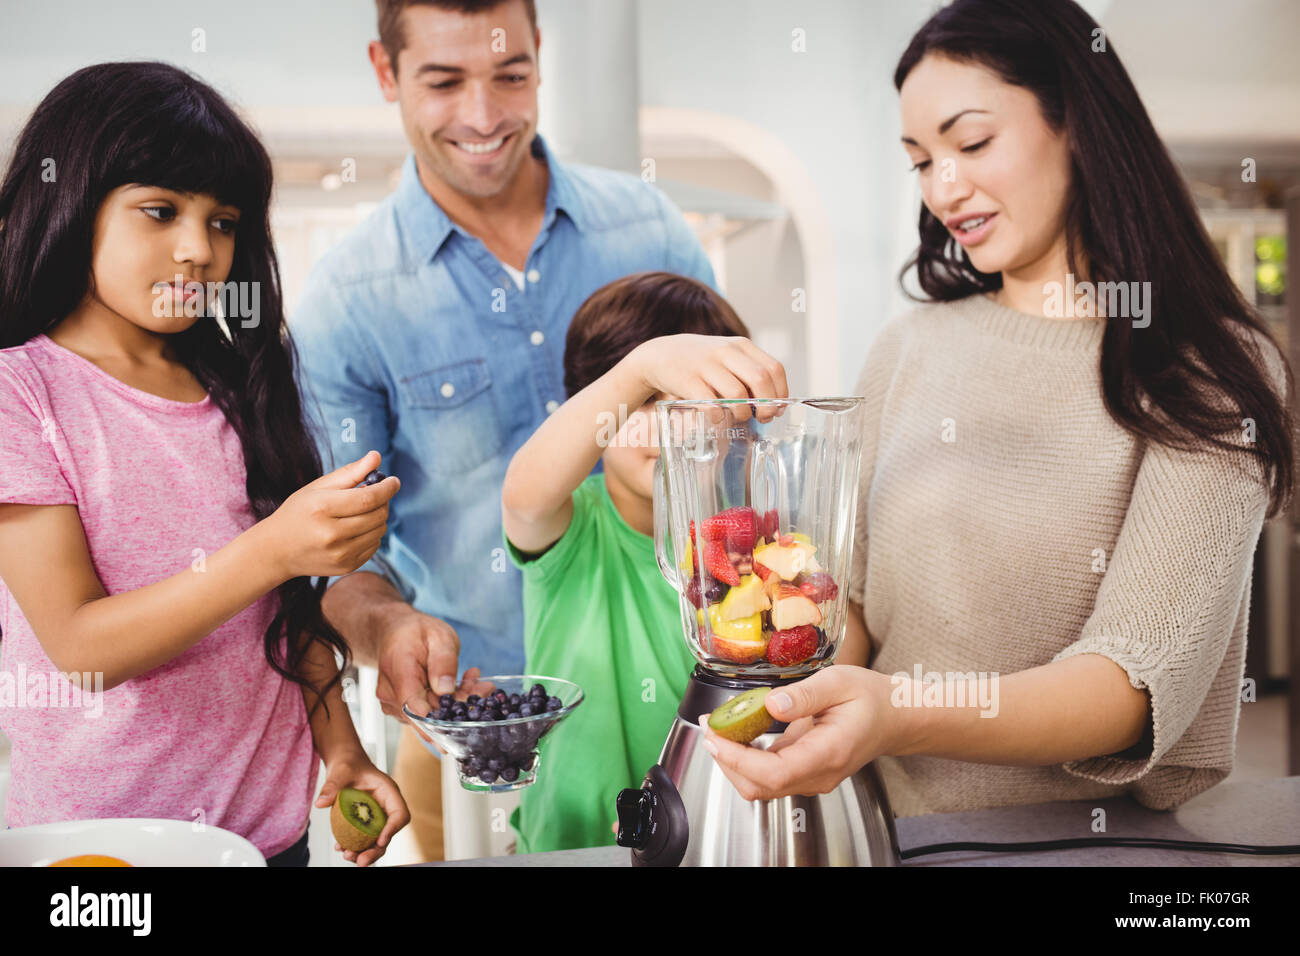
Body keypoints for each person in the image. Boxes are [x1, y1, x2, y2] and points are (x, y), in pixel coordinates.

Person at [700, 0, 1295, 817]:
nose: (945, 188)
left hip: (1085, 850)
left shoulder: (1205, 369)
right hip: (891, 836)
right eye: (919, 160)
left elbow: (1128, 684)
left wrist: (895, 717)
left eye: (972, 142)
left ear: (1078, 125)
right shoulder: (906, 348)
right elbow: (861, 613)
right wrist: (785, 689)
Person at [291, 0, 715, 859]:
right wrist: (387, 631)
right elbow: (338, 564)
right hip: (467, 739)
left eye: (510, 76)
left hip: (684, 714)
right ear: (385, 71)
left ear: (538, 56)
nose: (484, 117)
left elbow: (726, 449)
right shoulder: (347, 301)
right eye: (444, 81)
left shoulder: (652, 232)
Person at [0, 62, 409, 866]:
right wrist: (274, 548)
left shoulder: (240, 382)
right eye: (161, 211)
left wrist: (345, 750)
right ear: (72, 200)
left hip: (267, 841)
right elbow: (82, 650)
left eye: (222, 222)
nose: (198, 250)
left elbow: (287, 611)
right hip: (100, 849)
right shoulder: (21, 390)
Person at [501, 272, 843, 851]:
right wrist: (643, 365)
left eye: (692, 402)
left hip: (714, 833)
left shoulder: (755, 546)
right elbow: (523, 496)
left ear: (736, 415)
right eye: (644, 401)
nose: (667, 424)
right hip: (570, 843)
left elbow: (833, 640)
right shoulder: (570, 525)